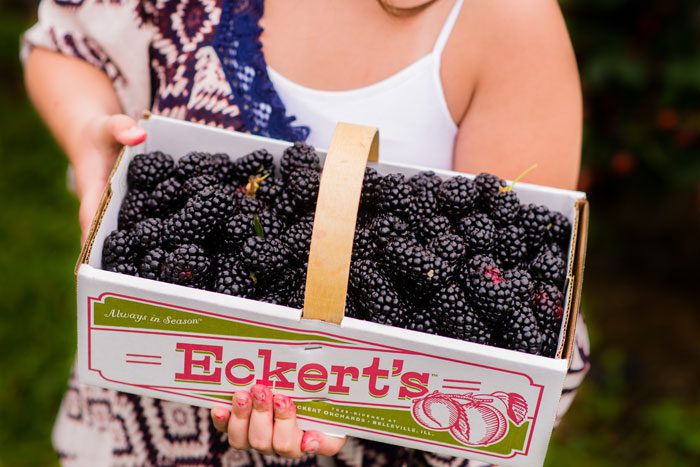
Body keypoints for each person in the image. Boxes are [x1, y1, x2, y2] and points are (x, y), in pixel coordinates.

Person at [23, 0, 590, 465]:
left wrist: (353, 386)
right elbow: (65, 44)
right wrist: (87, 136)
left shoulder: (509, 21)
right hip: (144, 413)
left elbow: (505, 313)